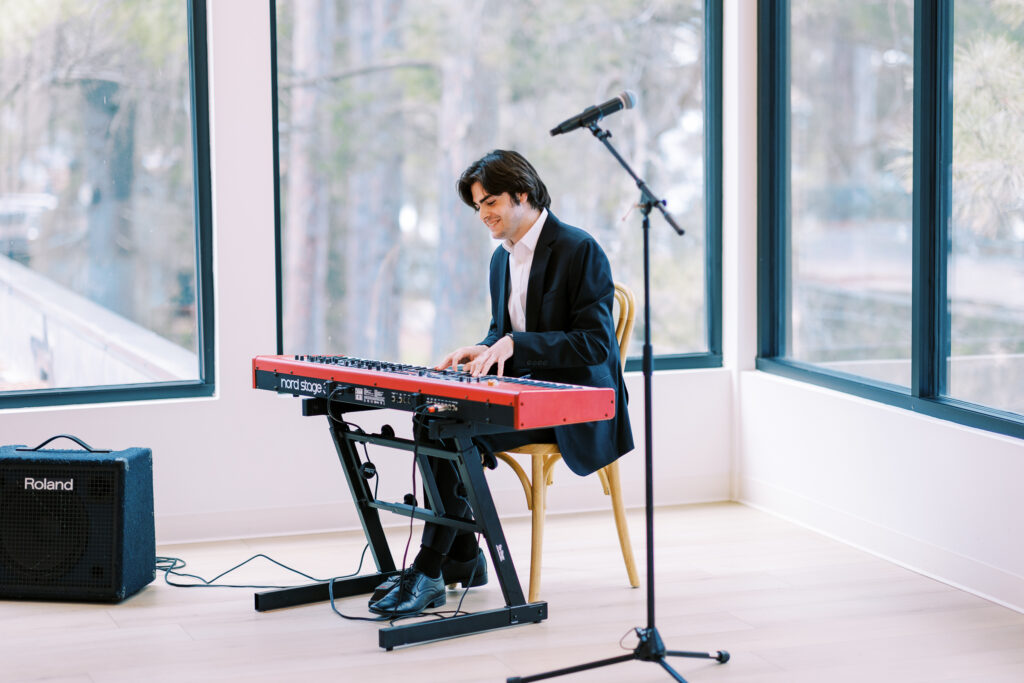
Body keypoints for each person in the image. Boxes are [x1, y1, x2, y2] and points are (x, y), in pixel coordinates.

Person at [369, 149, 633, 617]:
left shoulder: (579, 249)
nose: (483, 215)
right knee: (431, 418)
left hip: (573, 407)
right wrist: (483, 348)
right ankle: (464, 559)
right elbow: (503, 332)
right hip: (520, 398)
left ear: (522, 193)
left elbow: (595, 345)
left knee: (447, 430)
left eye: (490, 201)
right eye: (477, 207)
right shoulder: (501, 259)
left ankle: (431, 567)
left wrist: (516, 345)